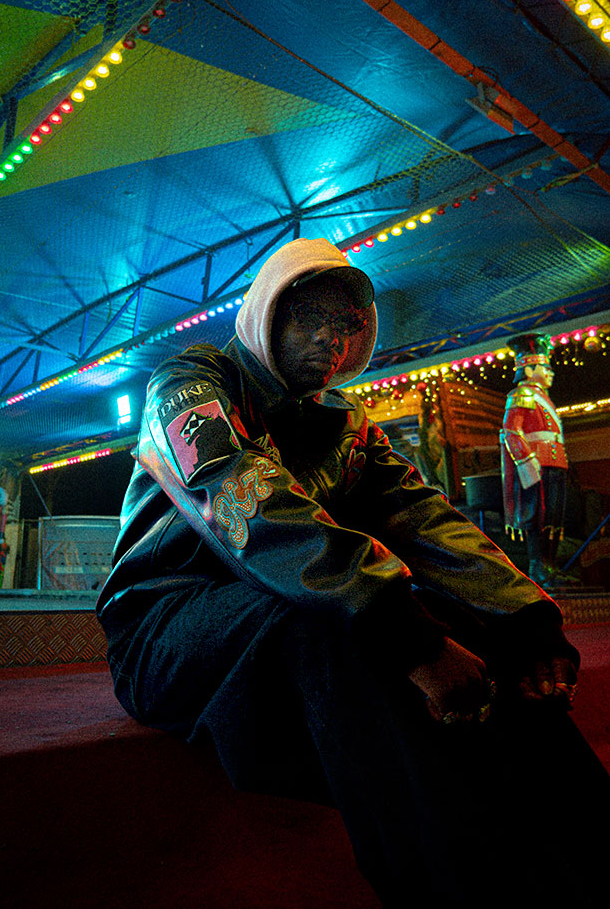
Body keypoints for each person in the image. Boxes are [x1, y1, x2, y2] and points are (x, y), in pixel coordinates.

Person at [97, 237, 608, 904]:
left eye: (346, 324)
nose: (329, 340)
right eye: (307, 317)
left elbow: (422, 517)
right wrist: (409, 639)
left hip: (279, 614)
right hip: (163, 630)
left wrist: (524, 619)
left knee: (461, 627)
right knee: (346, 621)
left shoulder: (345, 424)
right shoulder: (190, 383)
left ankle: (589, 857)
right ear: (264, 312)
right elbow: (241, 498)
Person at [500, 332, 572, 589]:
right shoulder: (521, 394)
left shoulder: (544, 398)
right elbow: (511, 430)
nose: (550, 372)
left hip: (555, 462)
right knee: (538, 516)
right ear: (529, 370)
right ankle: (538, 567)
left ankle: (550, 566)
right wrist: (526, 461)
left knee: (554, 517)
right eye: (545, 367)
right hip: (536, 464)